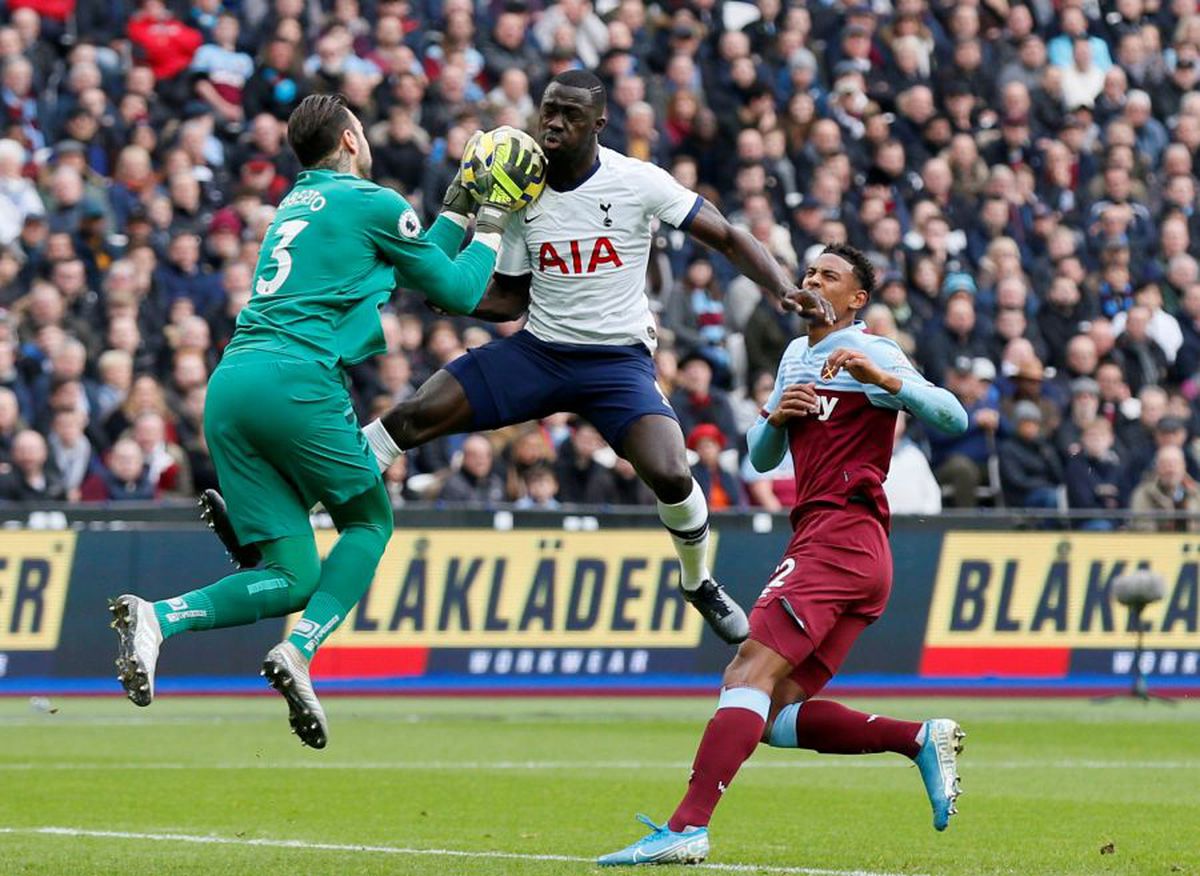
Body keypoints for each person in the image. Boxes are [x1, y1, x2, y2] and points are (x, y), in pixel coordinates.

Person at [204, 70, 835, 646]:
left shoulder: (636, 181)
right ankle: (291, 511)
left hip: (615, 361)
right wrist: (456, 294)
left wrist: (782, 288)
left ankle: (698, 582)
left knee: (671, 472)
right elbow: (510, 297)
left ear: (598, 124)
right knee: (411, 417)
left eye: (567, 114)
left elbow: (726, 233)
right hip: (540, 350)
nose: (553, 123)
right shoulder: (519, 191)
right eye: (547, 111)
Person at [108, 93, 532, 749]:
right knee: (369, 520)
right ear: (351, 140)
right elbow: (451, 290)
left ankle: (158, 618)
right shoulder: (374, 202)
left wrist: (454, 205)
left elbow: (409, 258)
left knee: (294, 577)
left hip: (232, 386)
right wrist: (494, 220)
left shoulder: (299, 205)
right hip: (297, 380)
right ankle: (302, 651)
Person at [598, 244, 969, 866]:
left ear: (857, 299)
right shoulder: (797, 355)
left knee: (746, 673)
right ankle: (917, 739)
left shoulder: (870, 348)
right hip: (845, 545)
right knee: (772, 712)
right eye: (809, 271)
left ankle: (687, 826)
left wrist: (887, 383)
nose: (813, 280)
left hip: (841, 535)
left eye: (830, 275)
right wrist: (777, 417)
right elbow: (762, 458)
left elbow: (953, 416)